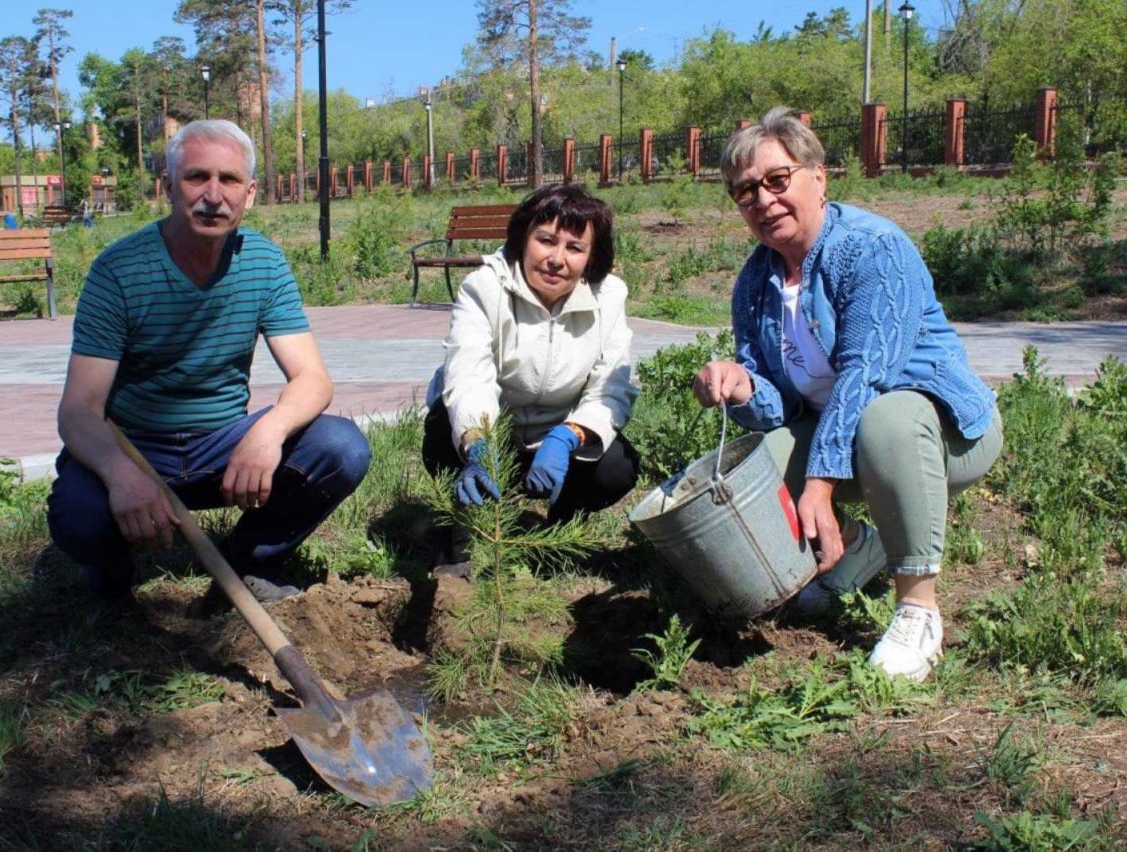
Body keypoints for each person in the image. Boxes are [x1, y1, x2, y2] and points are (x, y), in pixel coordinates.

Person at [692, 107, 1003, 681]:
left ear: (818, 176)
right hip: (852, 441)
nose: (762, 200)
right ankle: (862, 546)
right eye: (744, 192)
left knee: (888, 416)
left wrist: (820, 484)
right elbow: (779, 409)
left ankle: (918, 608)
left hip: (943, 436)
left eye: (776, 180)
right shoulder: (755, 282)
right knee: (760, 462)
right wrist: (740, 385)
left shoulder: (871, 248)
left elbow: (868, 375)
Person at [47, 119, 371, 612]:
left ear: (252, 193)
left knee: (341, 448)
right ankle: (111, 580)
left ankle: (248, 563)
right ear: (169, 186)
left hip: (221, 448)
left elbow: (313, 378)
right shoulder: (120, 270)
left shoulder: (263, 262)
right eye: (198, 177)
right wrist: (119, 472)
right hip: (136, 446)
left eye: (230, 180)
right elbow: (78, 411)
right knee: (79, 517)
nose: (213, 195)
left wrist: (269, 432)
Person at [422, 183, 640, 575]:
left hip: (556, 440)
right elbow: (468, 374)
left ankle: (557, 534)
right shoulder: (484, 290)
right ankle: (460, 530)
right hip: (493, 440)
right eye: (546, 241)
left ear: (591, 258)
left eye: (575, 248)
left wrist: (569, 434)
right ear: (523, 239)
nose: (557, 259)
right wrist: (478, 443)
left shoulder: (609, 298)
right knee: (443, 426)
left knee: (615, 466)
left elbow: (613, 386)